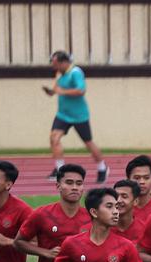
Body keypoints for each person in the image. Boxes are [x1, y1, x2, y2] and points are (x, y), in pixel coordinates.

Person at [43, 51, 106, 184]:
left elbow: (81, 90)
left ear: (64, 62)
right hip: (63, 115)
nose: (54, 67)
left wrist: (62, 92)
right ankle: (59, 171)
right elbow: (55, 91)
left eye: (56, 64)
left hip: (79, 116)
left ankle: (102, 168)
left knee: (88, 143)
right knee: (54, 138)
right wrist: (50, 91)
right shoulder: (60, 73)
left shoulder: (76, 72)